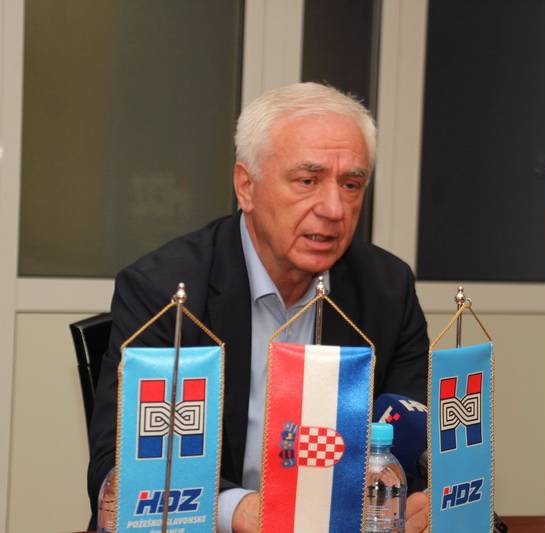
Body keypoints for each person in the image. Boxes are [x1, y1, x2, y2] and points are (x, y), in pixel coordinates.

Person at [88, 82, 429, 532]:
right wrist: (240, 511)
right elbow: (121, 467)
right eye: (307, 181)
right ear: (246, 186)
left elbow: (413, 434)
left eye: (351, 184)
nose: (334, 208)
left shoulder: (386, 288)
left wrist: (415, 494)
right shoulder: (165, 291)